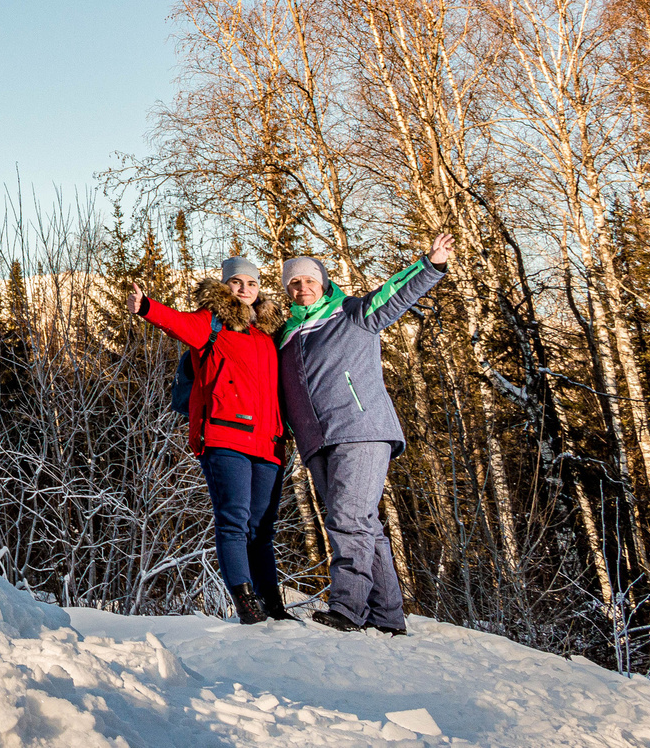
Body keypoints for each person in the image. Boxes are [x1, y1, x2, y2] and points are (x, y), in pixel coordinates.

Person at [275, 233, 454, 635]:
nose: (302, 288)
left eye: (309, 280)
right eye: (294, 283)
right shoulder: (286, 336)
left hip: (360, 428)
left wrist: (431, 265)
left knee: (348, 518)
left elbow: (393, 294)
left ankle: (348, 609)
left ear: (323, 281)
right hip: (316, 440)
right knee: (364, 526)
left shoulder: (352, 313)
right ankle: (389, 617)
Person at [128, 255, 290, 625]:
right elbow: (179, 323)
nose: (244, 289)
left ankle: (274, 606)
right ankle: (246, 603)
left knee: (262, 528)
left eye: (251, 283)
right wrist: (147, 307)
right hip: (226, 435)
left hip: (268, 442)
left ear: (259, 288)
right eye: (237, 282)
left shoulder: (268, 332)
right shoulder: (213, 321)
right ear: (225, 285)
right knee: (234, 519)